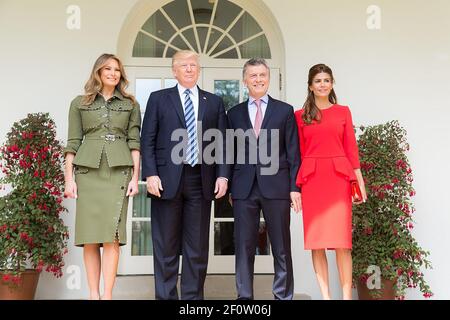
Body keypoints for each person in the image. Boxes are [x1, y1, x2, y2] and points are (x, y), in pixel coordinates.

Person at [141, 50, 229, 300]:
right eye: (184, 65)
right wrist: (151, 174)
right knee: (165, 246)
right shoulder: (158, 99)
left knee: (197, 248)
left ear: (199, 69)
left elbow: (221, 144)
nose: (189, 69)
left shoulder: (214, 101)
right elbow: (147, 139)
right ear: (174, 70)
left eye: (193, 65)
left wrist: (222, 176)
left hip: (201, 181)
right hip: (165, 182)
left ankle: (192, 300)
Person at [64, 53, 141, 300]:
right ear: (98, 72)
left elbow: (134, 143)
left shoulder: (131, 104)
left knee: (112, 237)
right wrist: (69, 179)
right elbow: (73, 142)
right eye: (107, 69)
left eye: (117, 70)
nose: (113, 73)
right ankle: (93, 295)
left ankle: (107, 295)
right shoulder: (79, 103)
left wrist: (134, 177)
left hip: (119, 172)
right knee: (90, 237)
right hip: (87, 174)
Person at [227, 58, 301, 300]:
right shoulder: (234, 113)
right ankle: (245, 298)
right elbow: (229, 151)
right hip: (243, 188)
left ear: (268, 78)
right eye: (253, 76)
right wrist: (228, 184)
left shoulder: (284, 111)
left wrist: (294, 187)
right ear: (244, 80)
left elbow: (293, 152)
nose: (258, 80)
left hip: (277, 187)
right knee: (244, 247)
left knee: (281, 247)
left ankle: (283, 296)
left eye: (262, 75)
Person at [295, 64, 367, 300]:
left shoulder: (343, 112)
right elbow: (299, 154)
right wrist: (295, 188)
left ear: (332, 83)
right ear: (310, 86)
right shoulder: (299, 115)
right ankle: (326, 297)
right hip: (313, 181)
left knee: (342, 243)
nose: (322, 84)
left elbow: (351, 149)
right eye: (318, 81)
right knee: (317, 242)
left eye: (326, 80)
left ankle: (346, 297)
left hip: (339, 181)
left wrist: (359, 184)